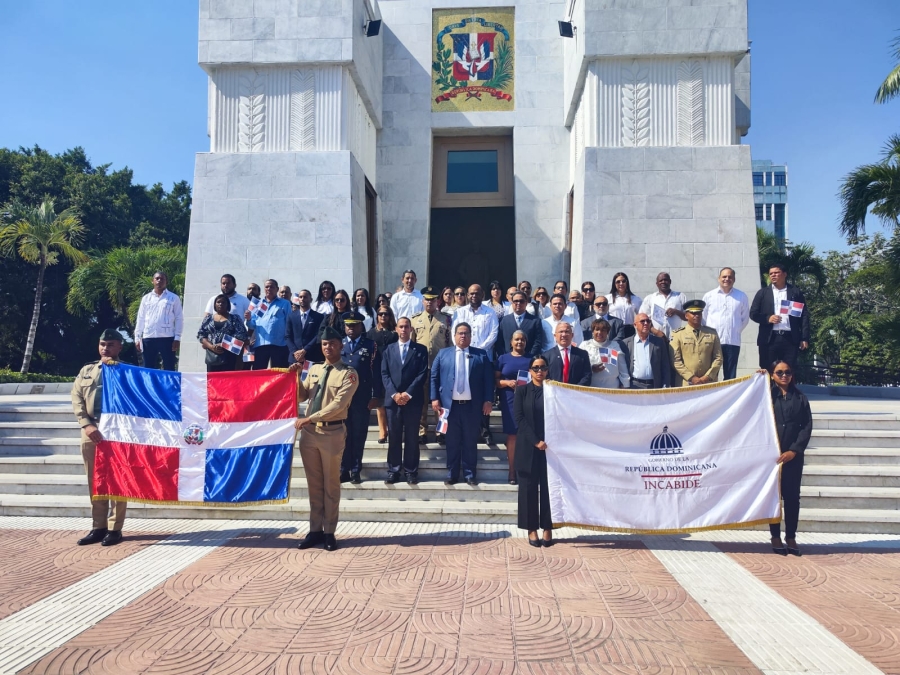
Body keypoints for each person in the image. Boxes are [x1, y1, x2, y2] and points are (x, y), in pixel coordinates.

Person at [291, 325, 359, 552]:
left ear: (340, 346)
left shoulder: (349, 373)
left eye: (331, 344)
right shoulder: (315, 370)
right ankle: (315, 530)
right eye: (324, 344)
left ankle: (329, 531)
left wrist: (309, 418)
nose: (327, 347)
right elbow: (302, 396)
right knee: (314, 485)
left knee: (331, 484)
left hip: (331, 433)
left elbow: (337, 406)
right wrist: (296, 378)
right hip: (310, 434)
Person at [72, 329, 128, 547]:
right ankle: (98, 526)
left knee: (118, 480)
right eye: (103, 344)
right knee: (94, 481)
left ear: (120, 347)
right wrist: (86, 424)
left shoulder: (128, 372)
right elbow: (76, 398)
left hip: (118, 433)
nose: (106, 348)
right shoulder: (87, 370)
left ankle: (115, 528)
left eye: (111, 344)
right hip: (91, 432)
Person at [431, 322, 494, 485]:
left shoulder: (481, 355)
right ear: (454, 335)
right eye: (460, 333)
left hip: (471, 407)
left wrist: (488, 400)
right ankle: (452, 474)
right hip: (449, 407)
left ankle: (469, 474)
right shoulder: (443, 354)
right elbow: (434, 377)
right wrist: (434, 398)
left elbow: (489, 379)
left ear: (471, 336)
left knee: (470, 441)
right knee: (451, 441)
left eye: (466, 333)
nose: (463, 336)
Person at [766, 360, 812, 556]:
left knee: (792, 498)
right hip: (772, 457)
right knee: (774, 498)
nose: (784, 375)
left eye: (787, 372)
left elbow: (806, 426)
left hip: (792, 457)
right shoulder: (766, 396)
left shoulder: (800, 398)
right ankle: (775, 536)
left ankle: (791, 536)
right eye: (779, 372)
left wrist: (794, 450)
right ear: (772, 375)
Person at [381, 316, 430, 484]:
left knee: (411, 437)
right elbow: (384, 374)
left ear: (411, 329)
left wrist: (407, 394)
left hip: (413, 400)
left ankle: (410, 471)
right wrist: (395, 394)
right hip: (392, 401)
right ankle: (393, 470)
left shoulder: (420, 350)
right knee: (394, 436)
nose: (403, 330)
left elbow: (422, 374)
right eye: (400, 327)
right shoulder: (388, 350)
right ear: (396, 329)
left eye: (406, 327)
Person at [452, 285, 500, 444]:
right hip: (462, 356)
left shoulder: (490, 312)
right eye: (471, 293)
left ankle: (485, 431)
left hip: (483, 358)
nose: (473, 296)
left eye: (477, 293)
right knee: (466, 391)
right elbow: (455, 333)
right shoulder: (460, 312)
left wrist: (477, 351)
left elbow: (493, 334)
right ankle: (468, 430)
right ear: (467, 294)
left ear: (482, 294)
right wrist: (465, 348)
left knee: (484, 393)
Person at [514, 355, 553, 547]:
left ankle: (547, 527)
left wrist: (547, 441)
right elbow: (520, 419)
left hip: (550, 448)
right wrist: (536, 441)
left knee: (548, 488)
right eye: (536, 368)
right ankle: (531, 529)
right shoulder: (521, 391)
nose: (539, 371)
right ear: (530, 371)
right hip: (528, 446)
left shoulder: (555, 391)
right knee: (528, 489)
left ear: (547, 370)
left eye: (543, 368)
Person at [340, 312, 382, 485]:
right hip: (342, 399)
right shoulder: (339, 344)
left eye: (355, 325)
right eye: (348, 325)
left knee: (359, 434)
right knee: (343, 435)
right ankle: (344, 470)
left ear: (361, 326)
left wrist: (376, 396)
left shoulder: (371, 345)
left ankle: (356, 470)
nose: (351, 328)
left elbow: (377, 373)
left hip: (362, 398)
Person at [749, 263, 810, 370]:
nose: (773, 275)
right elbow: (753, 314)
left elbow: (803, 315)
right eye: (771, 273)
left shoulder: (795, 292)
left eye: (776, 273)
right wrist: (768, 318)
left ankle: (788, 387)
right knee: (767, 370)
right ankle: (769, 387)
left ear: (784, 274)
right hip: (769, 338)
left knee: (788, 370)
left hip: (790, 338)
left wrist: (804, 338)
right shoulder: (762, 293)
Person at [410, 286, 451, 443]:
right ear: (423, 300)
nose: (430, 302)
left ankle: (441, 432)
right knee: (422, 402)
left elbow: (449, 343)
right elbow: (412, 345)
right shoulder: (415, 319)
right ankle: (422, 431)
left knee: (440, 401)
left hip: (439, 367)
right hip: (421, 368)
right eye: (427, 299)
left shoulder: (446, 319)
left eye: (433, 299)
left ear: (437, 301)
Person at [495, 330, 531, 484]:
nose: (519, 342)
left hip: (528, 399)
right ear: (511, 342)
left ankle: (526, 470)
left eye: (522, 339)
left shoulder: (531, 358)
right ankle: (512, 471)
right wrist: (506, 383)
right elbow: (495, 381)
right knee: (512, 435)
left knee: (528, 434)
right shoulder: (503, 358)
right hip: (509, 399)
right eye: (516, 339)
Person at [702, 267, 750, 380]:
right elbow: (703, 318)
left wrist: (735, 330)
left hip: (732, 341)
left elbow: (744, 319)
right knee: (711, 375)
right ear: (719, 278)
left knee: (730, 376)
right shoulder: (709, 296)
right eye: (724, 276)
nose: (727, 279)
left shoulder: (741, 296)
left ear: (734, 279)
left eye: (730, 277)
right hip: (712, 342)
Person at [134, 271, 183, 371]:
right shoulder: (146, 298)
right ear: (153, 281)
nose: (159, 280)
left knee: (169, 367)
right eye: (157, 278)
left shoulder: (173, 298)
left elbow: (179, 318)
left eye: (162, 279)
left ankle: (169, 386)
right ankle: (149, 387)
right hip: (149, 337)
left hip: (167, 338)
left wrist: (177, 337)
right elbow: (141, 318)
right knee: (148, 368)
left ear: (166, 282)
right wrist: (137, 337)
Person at [670, 300, 723, 386]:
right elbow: (675, 361)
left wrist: (707, 376)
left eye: (699, 313)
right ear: (686, 316)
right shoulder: (678, 334)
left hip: (708, 382)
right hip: (687, 382)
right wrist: (691, 378)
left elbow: (718, 358)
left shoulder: (712, 333)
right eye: (693, 313)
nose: (697, 316)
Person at [245, 279, 291, 369]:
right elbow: (252, 325)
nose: (269, 288)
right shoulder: (258, 304)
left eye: (272, 287)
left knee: (279, 373)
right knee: (259, 373)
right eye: (267, 287)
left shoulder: (285, 303)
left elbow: (289, 323)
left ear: (277, 289)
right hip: (260, 345)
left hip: (279, 344)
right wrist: (249, 319)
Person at [368, 306, 398, 444]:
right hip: (377, 370)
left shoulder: (395, 334)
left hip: (393, 370)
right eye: (380, 314)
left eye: (386, 314)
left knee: (391, 401)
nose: (383, 316)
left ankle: (393, 430)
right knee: (380, 401)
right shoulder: (371, 334)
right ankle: (382, 431)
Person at [197, 294, 249, 371]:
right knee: (213, 381)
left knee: (228, 382)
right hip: (212, 358)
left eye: (223, 302)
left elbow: (241, 336)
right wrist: (211, 346)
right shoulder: (208, 319)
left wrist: (223, 344)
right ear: (214, 305)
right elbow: (201, 335)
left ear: (228, 305)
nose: (220, 304)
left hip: (230, 356)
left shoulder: (234, 318)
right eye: (218, 302)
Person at [582, 319, 630, 389]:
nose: (600, 332)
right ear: (592, 331)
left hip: (611, 388)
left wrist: (626, 385)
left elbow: (622, 367)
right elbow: (579, 367)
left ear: (607, 332)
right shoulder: (585, 346)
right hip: (591, 388)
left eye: (603, 330)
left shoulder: (614, 346)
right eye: (597, 329)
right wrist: (591, 369)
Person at [627, 313, 671, 389]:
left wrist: (666, 384)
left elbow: (665, 366)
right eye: (642, 321)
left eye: (648, 321)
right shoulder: (627, 343)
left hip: (654, 386)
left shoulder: (659, 342)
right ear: (635, 325)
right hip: (635, 385)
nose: (646, 323)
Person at [640, 271, 687, 340]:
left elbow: (688, 317)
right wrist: (655, 332)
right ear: (657, 284)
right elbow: (642, 319)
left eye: (666, 280)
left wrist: (676, 311)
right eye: (661, 280)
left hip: (676, 339)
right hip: (656, 338)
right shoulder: (650, 298)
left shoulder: (680, 296)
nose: (663, 282)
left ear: (670, 281)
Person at [497, 291, 543, 357]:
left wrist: (530, 357)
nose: (518, 303)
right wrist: (505, 357)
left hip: (528, 360)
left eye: (521, 301)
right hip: (508, 360)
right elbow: (499, 342)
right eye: (516, 301)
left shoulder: (535, 321)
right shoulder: (504, 320)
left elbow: (537, 342)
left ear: (526, 303)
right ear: (512, 303)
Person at [286, 289, 325, 365]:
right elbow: (287, 336)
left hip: (312, 356)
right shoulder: (291, 316)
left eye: (305, 297)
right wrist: (295, 352)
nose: (302, 299)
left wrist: (304, 350)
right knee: (295, 377)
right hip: (295, 358)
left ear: (311, 299)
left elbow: (318, 336)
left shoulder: (318, 317)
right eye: (300, 297)